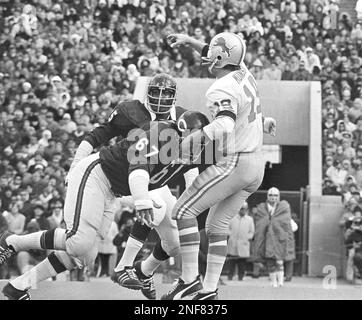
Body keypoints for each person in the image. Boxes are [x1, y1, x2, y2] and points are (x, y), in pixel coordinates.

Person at [0, 110, 210, 300]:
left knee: (83, 257)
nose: (198, 146)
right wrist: (142, 200)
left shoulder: (187, 151)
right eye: (197, 139)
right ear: (184, 131)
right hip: (97, 174)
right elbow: (138, 168)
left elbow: (195, 179)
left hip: (113, 190)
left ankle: (18, 287)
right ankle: (13, 241)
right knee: (79, 243)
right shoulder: (163, 133)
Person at [161, 32, 275, 300]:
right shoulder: (243, 73)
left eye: (212, 52)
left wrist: (195, 139)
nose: (207, 55)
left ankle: (189, 280)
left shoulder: (220, 87)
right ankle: (209, 289)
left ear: (221, 57)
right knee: (216, 226)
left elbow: (224, 124)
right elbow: (227, 58)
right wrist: (190, 40)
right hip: (256, 165)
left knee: (183, 210)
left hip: (237, 160)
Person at [68, 73, 199, 300]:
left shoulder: (183, 118)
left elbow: (190, 159)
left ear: (174, 96)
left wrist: (191, 195)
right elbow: (98, 135)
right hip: (128, 177)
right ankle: (124, 266)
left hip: (156, 180)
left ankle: (144, 271)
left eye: (166, 92)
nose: (160, 97)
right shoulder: (130, 110)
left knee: (175, 242)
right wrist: (75, 166)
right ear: (147, 93)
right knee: (154, 204)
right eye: (156, 91)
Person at [252, 187, 294, 288]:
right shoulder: (262, 208)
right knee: (270, 262)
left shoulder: (284, 207)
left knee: (279, 260)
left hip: (279, 238)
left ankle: (280, 281)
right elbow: (260, 223)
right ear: (267, 197)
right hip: (267, 239)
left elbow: (285, 223)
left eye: (275, 195)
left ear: (278, 196)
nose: (273, 197)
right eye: (271, 195)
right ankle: (273, 282)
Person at [226, 202, 255, 281]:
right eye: (241, 208)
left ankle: (240, 277)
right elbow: (227, 228)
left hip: (243, 244)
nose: (243, 210)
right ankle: (230, 276)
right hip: (233, 243)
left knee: (242, 262)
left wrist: (247, 238)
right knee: (232, 261)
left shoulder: (250, 219)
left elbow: (252, 232)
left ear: (247, 209)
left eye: (244, 209)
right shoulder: (232, 218)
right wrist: (231, 234)